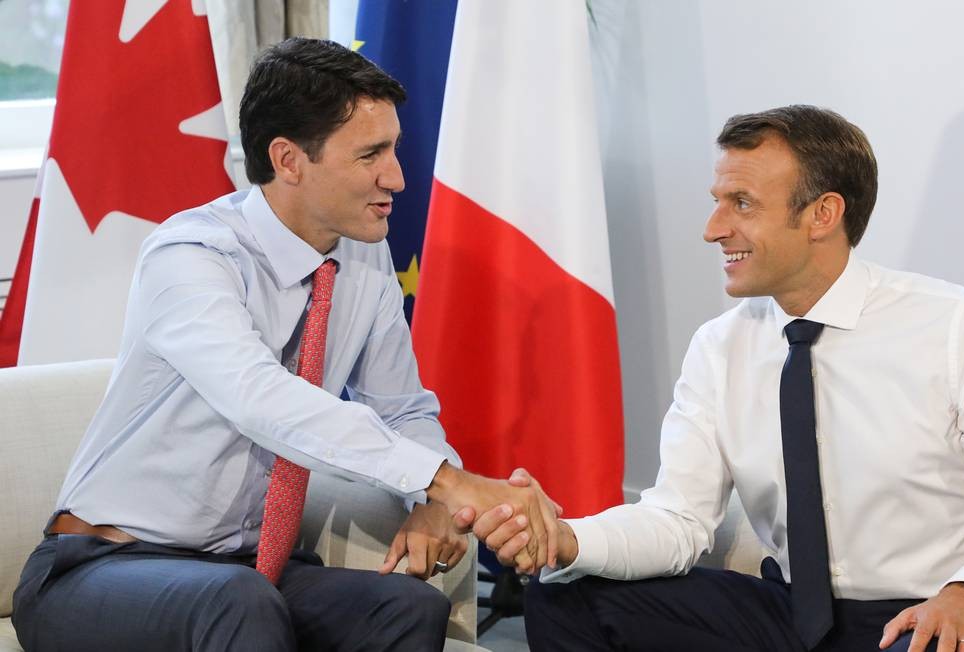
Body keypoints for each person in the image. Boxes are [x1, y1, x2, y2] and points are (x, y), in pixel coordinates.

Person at [11, 37, 557, 652]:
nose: (397, 177)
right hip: (100, 568)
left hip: (242, 572)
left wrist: (430, 498)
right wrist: (445, 480)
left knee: (406, 608)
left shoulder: (365, 259)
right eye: (370, 154)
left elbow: (403, 410)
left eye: (394, 148)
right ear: (289, 159)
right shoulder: (192, 254)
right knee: (236, 600)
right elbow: (259, 397)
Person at [471, 105, 964, 651]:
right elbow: (677, 519)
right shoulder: (720, 346)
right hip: (786, 615)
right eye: (718, 200)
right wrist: (567, 539)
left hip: (924, 616)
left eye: (742, 203)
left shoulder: (955, 325)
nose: (713, 228)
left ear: (822, 215)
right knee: (568, 594)